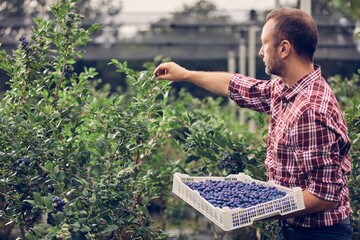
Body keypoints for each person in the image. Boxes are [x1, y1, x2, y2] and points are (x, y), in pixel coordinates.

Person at [154, 8, 352, 240]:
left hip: (318, 234)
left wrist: (254, 208)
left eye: (264, 43)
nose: (260, 52)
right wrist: (186, 74)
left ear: (284, 48)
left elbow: (325, 196)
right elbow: (236, 85)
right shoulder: (285, 89)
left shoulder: (311, 109)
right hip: (294, 228)